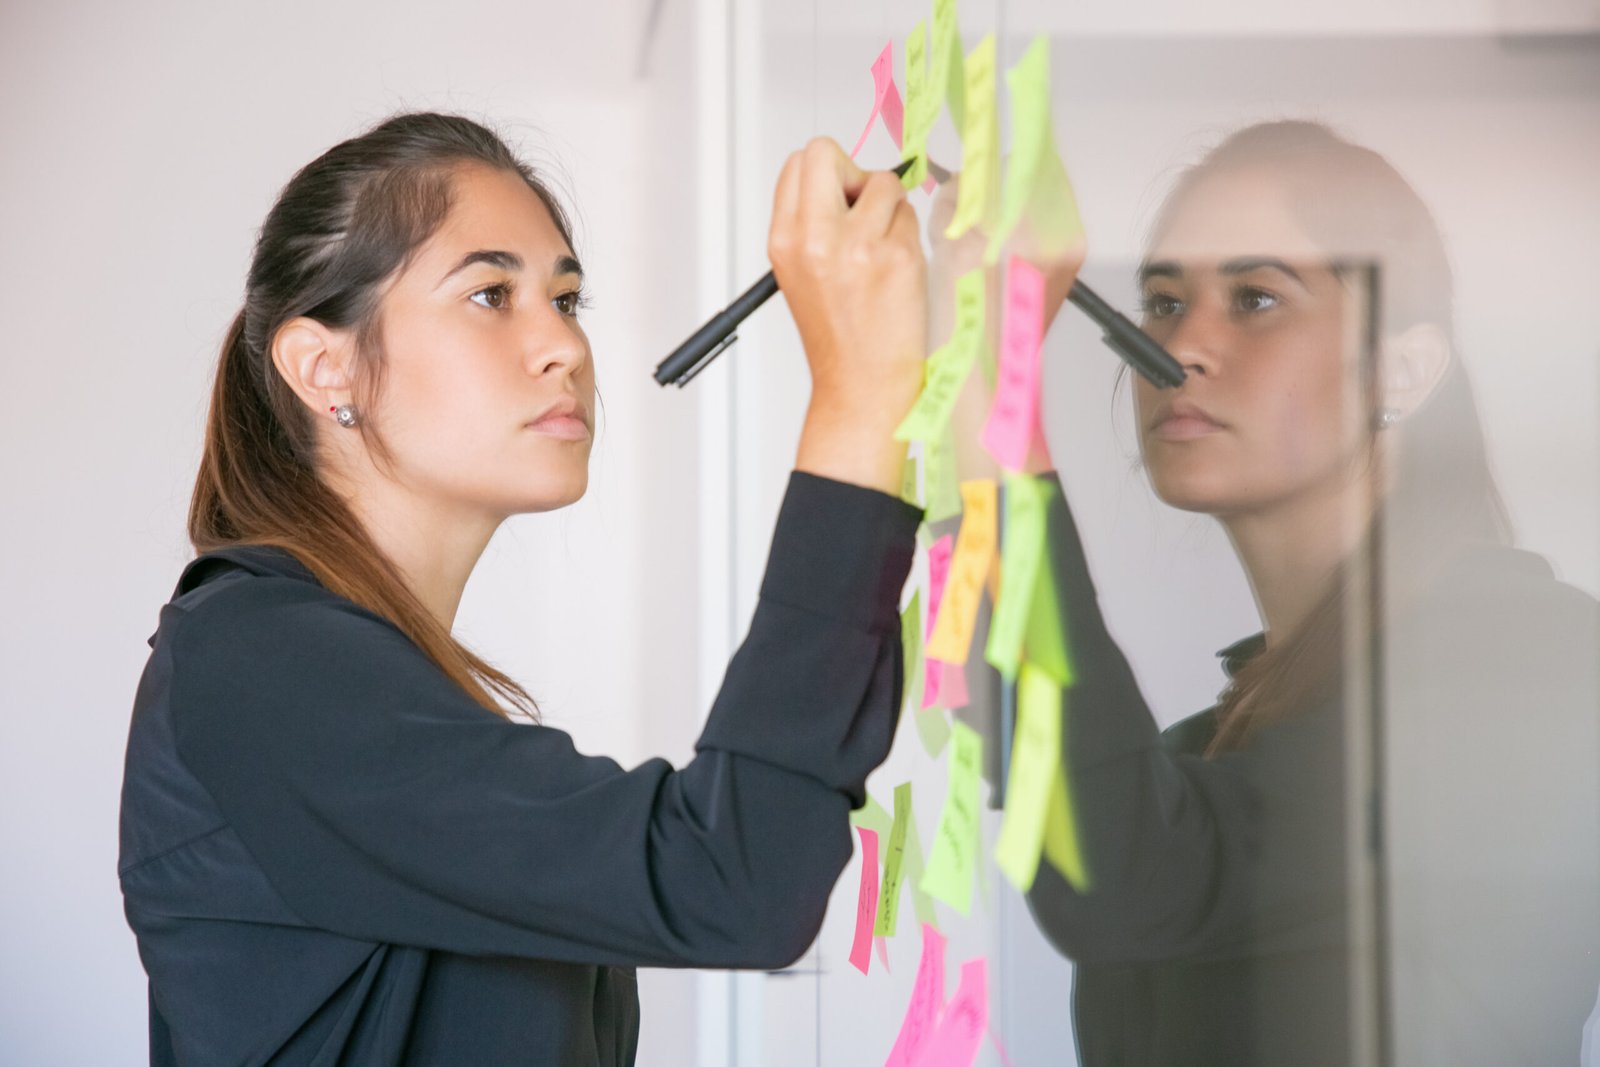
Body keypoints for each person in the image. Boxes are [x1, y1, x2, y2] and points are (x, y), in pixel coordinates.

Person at [117, 112, 929, 1065]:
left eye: (568, 299)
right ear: (322, 365)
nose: (564, 348)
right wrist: (858, 400)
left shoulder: (344, 672)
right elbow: (734, 878)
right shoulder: (255, 657)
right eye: (492, 293)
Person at [933, 120, 1599, 1064]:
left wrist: (986, 390)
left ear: (1400, 371)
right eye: (1161, 301)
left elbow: (1122, 872)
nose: (1183, 348)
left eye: (1255, 298)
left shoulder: (1534, 665)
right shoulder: (1198, 756)